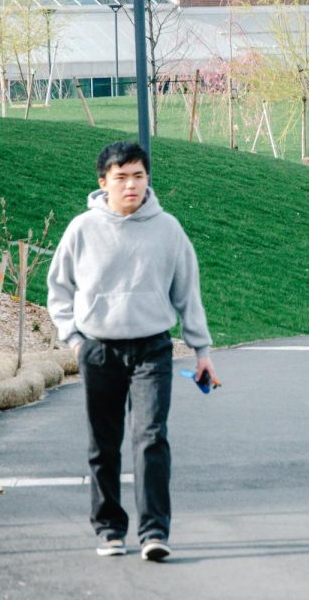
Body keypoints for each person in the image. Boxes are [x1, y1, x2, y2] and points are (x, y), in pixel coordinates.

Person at [47, 140, 216, 562]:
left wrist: (202, 351)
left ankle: (155, 531)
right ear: (103, 182)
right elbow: (58, 288)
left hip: (152, 349)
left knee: (151, 438)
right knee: (103, 444)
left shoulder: (168, 230)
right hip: (98, 350)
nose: (131, 185)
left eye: (138, 176)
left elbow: (187, 294)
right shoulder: (82, 229)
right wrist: (74, 338)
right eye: (121, 177)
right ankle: (108, 528)